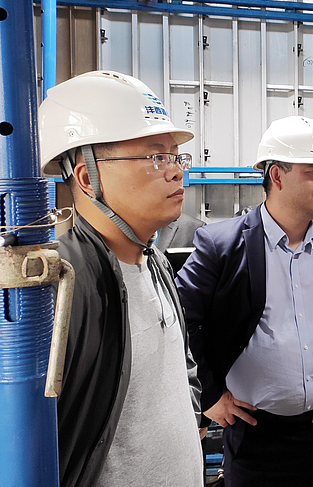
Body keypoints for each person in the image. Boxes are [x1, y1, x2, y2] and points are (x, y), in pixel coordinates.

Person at [176, 115, 313, 487]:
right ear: (276, 175)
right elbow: (181, 320)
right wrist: (208, 397)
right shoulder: (223, 247)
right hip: (259, 442)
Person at [37, 71, 204, 487]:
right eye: (155, 157)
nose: (176, 172)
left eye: (176, 157)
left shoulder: (156, 262)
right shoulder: (60, 285)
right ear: (88, 178)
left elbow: (181, 368)